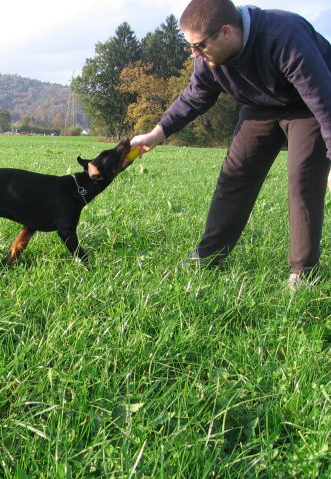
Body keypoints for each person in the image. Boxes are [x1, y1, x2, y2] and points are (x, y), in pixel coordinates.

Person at [130, 0, 331, 289]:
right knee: (235, 175)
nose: (193, 54)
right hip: (259, 107)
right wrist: (157, 133)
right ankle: (207, 256)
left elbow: (324, 103)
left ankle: (303, 272)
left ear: (225, 31)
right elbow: (195, 97)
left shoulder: (284, 35)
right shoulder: (208, 61)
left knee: (303, 180)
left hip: (307, 107)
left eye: (198, 46)